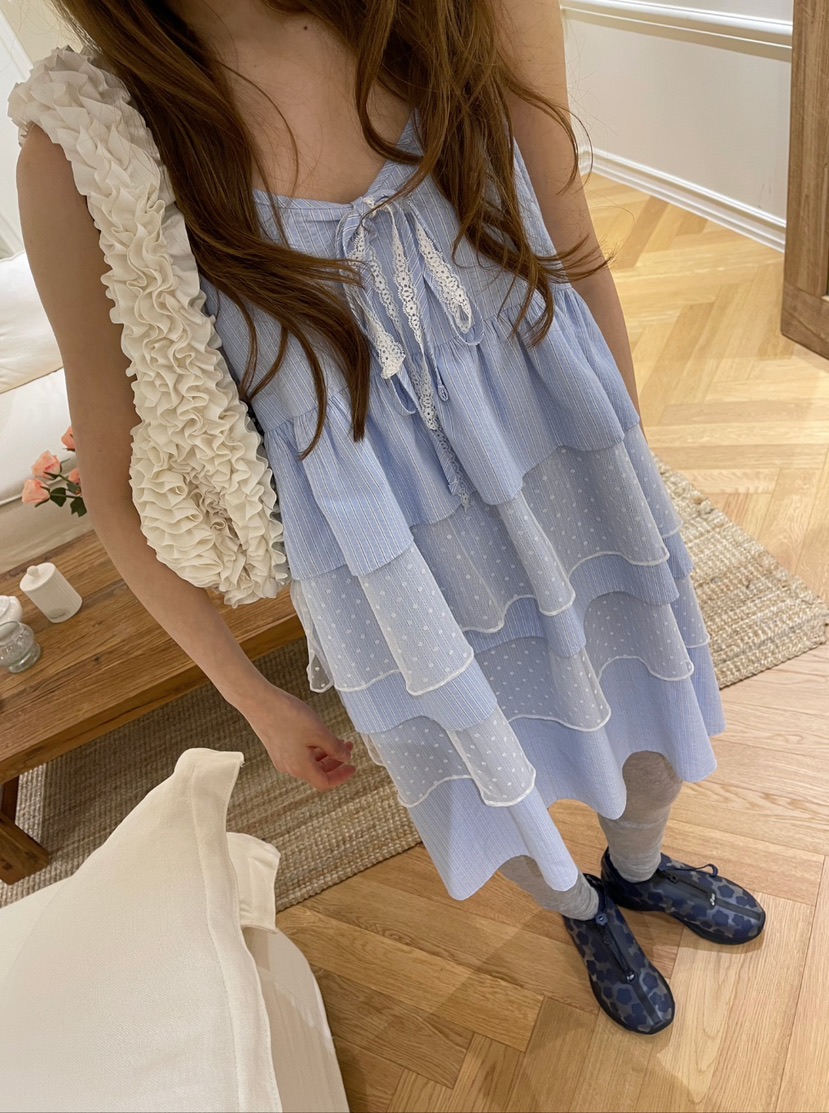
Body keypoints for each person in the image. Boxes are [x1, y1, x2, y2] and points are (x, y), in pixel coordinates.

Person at [15, 0, 764, 1036]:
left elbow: (573, 247)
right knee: (486, 771)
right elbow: (115, 471)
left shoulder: (458, 16)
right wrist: (250, 695)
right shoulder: (90, 148)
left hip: (571, 474)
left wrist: (626, 461)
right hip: (384, 559)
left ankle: (638, 866)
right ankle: (582, 911)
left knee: (647, 704)